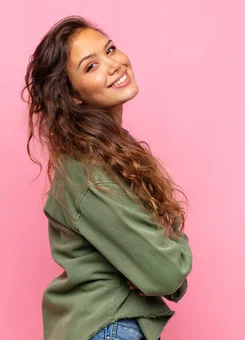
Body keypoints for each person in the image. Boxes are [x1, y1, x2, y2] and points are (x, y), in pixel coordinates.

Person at [23, 15, 193, 340]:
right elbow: (166, 272)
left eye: (110, 50)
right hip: (110, 329)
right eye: (91, 66)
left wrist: (159, 263)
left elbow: (161, 266)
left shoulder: (109, 155)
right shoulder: (89, 173)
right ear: (73, 96)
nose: (114, 64)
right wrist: (166, 263)